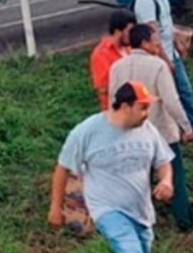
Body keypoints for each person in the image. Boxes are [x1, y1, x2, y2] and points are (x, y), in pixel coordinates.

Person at [48, 81, 174, 253]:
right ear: (125, 107)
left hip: (141, 211)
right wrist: (56, 207)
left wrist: (166, 181)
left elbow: (163, 161)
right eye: (143, 107)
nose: (147, 114)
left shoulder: (148, 129)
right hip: (107, 209)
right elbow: (62, 168)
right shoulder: (87, 131)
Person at [109, 26, 193, 232]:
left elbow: (114, 101)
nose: (158, 43)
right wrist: (187, 127)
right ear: (144, 43)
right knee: (175, 178)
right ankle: (185, 224)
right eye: (154, 39)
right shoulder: (158, 66)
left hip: (131, 134)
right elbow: (171, 101)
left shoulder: (117, 67)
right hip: (161, 135)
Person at [133, 0, 193, 131]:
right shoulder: (145, 1)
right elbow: (153, 35)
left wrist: (177, 43)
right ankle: (184, 127)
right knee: (173, 95)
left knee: (184, 91)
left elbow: (167, 24)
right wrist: (165, 60)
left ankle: (190, 124)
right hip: (161, 57)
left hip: (171, 53)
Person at [90, 9, 135, 111]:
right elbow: (103, 88)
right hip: (116, 109)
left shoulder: (129, 48)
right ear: (118, 31)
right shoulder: (101, 54)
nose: (132, 35)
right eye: (129, 31)